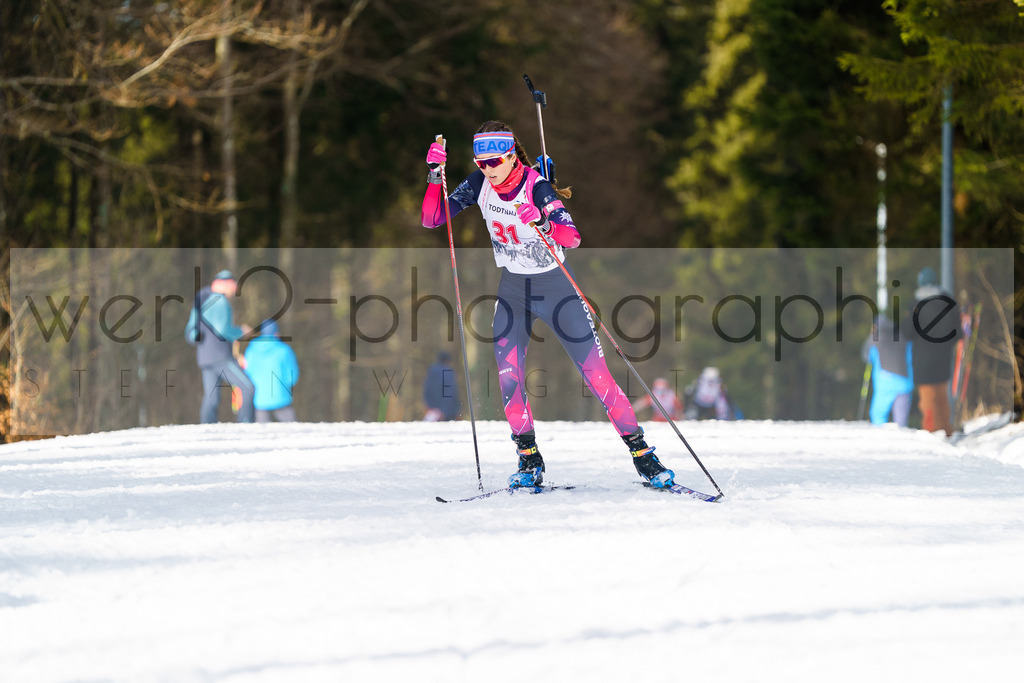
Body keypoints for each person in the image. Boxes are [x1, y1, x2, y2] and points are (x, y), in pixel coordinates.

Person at [419, 121, 675, 488]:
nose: (487, 169)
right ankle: (528, 460)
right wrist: (434, 176)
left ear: (510, 157)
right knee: (510, 379)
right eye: (480, 163)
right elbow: (433, 218)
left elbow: (572, 237)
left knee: (598, 377)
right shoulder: (478, 184)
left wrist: (543, 220)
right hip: (512, 293)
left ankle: (643, 456)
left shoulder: (535, 185)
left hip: (558, 291)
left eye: (493, 161)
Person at [184, 269, 255, 423]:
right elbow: (223, 330)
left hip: (204, 357)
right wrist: (241, 331)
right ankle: (246, 425)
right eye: (233, 287)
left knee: (212, 398)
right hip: (220, 356)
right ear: (226, 285)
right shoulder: (221, 302)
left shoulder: (202, 299)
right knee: (248, 387)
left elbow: (190, 330)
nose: (234, 291)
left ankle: (207, 429)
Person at [909, 267, 959, 435]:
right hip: (943, 358)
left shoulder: (915, 304)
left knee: (928, 399)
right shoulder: (948, 301)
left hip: (923, 360)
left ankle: (931, 432)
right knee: (941, 396)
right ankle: (946, 431)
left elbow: (907, 332)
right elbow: (957, 331)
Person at [861, 312, 913, 427]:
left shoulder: (875, 338)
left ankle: (880, 439)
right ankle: (903, 439)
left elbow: (867, 356)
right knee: (901, 418)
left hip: (885, 380)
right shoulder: (902, 334)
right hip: (904, 382)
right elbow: (910, 355)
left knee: (878, 415)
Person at [243, 318, 300, 423]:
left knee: (262, 435)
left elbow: (247, 373)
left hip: (259, 400)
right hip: (281, 397)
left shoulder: (251, 350)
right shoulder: (284, 350)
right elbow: (293, 376)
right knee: (294, 431)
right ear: (276, 333)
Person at [422, 351, 461, 421]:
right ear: (448, 361)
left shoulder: (431, 372)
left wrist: (429, 407)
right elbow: (450, 393)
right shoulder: (448, 373)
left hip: (433, 413)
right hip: (447, 413)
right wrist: (444, 411)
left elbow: (426, 391)